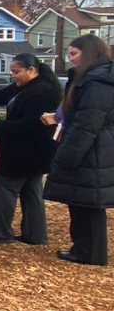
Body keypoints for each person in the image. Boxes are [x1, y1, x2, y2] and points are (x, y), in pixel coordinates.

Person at [0, 53, 63, 245]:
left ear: (31, 70)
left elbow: (31, 125)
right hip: (35, 154)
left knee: (4, 189)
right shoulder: (27, 87)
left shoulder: (42, 93)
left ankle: (0, 232)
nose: (13, 75)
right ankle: (35, 234)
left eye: (16, 71)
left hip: (24, 152)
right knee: (31, 192)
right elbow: (4, 94)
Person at [42, 34, 114, 265]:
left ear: (89, 53)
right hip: (93, 146)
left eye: (74, 54)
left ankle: (89, 251)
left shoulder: (96, 83)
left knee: (88, 201)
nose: (70, 59)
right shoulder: (94, 80)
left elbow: (87, 123)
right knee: (83, 200)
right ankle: (86, 248)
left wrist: (67, 156)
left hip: (92, 149)